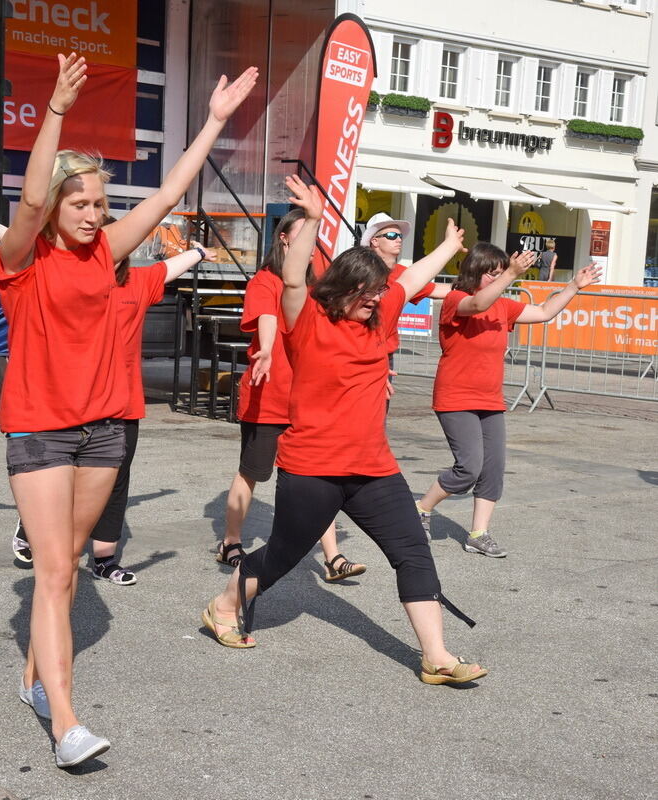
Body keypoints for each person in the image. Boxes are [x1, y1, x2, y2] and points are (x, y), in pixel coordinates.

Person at [0, 53, 257, 768]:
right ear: (54, 206)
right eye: (79, 204)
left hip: (104, 434)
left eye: (99, 205)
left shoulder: (104, 252)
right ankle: (67, 725)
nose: (94, 215)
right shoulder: (22, 259)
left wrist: (213, 122)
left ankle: (34, 680)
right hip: (42, 432)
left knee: (67, 569)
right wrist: (56, 109)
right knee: (54, 572)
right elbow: (26, 205)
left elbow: (169, 193)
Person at [203, 175, 489, 688]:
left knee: (412, 551)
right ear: (343, 286)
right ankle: (225, 605)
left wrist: (449, 246)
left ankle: (437, 657)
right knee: (283, 554)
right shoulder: (308, 319)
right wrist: (313, 219)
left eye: (380, 292)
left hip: (374, 468)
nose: (377, 300)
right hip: (312, 467)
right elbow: (294, 278)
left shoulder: (380, 315)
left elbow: (410, 277)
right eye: (367, 292)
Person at [0, 209, 217, 585]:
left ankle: (104, 559)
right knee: (59, 479)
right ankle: (32, 527)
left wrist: (198, 253)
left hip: (121, 405)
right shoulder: (66, 281)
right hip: (69, 401)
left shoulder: (138, 283)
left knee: (116, 484)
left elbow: (167, 269)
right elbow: (29, 252)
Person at [416, 245, 600, 557]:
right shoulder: (455, 300)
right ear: (475, 272)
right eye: (493, 274)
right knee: (468, 468)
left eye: (501, 273)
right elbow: (477, 303)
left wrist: (573, 286)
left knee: (492, 469)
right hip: (456, 397)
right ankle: (422, 508)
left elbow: (543, 312)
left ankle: (479, 534)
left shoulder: (503, 306)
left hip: (490, 399)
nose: (499, 278)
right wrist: (512, 273)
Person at [218, 208, 366, 582]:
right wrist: (267, 348)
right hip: (268, 396)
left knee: (317, 476)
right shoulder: (265, 281)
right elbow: (267, 316)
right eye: (303, 235)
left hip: (307, 400)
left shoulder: (316, 289)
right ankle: (230, 541)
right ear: (284, 238)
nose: (310, 244)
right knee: (252, 472)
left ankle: (332, 557)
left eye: (313, 237)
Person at [361, 212, 451, 400]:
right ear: (374, 241)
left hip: (384, 353)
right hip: (358, 348)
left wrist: (481, 287)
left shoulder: (404, 274)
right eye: (391, 235)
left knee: (379, 409)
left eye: (400, 235)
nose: (398, 239)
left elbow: (438, 290)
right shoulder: (358, 270)